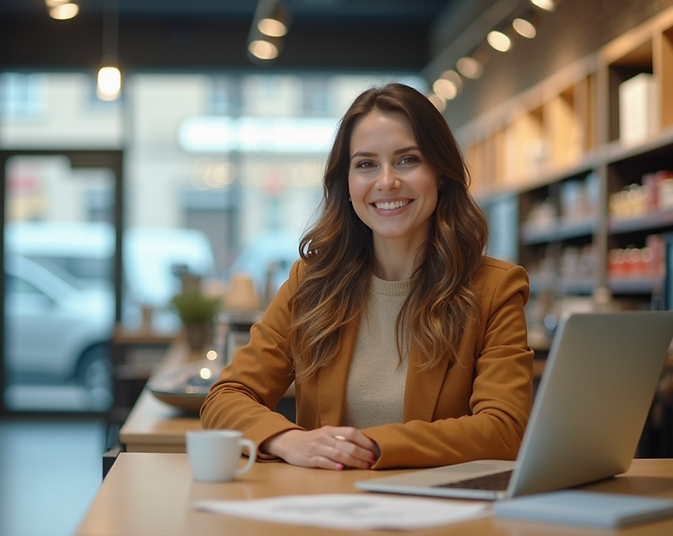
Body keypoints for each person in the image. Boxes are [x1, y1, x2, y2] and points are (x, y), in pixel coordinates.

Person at [200, 83, 533, 470]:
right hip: (324, 513)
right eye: (366, 164)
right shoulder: (311, 283)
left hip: (438, 514)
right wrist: (286, 440)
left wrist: (369, 446)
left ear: (440, 173)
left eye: (407, 159)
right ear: (348, 183)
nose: (386, 181)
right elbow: (226, 396)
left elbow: (504, 429)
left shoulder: (495, 289)